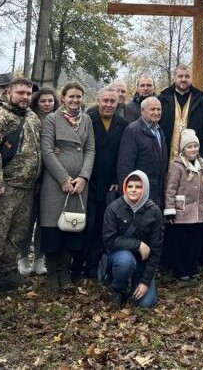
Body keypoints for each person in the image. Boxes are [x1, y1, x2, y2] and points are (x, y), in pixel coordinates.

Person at [0, 78, 41, 299]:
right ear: (8, 93)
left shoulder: (31, 116)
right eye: (20, 92)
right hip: (5, 187)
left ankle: (6, 270)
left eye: (28, 93)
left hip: (26, 187)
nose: (25, 97)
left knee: (17, 233)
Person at [39, 81, 96, 289]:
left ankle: (66, 273)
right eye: (71, 96)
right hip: (56, 183)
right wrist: (63, 178)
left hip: (79, 185)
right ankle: (52, 274)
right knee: (53, 226)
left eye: (79, 96)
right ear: (63, 98)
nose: (75, 100)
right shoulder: (52, 119)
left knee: (72, 226)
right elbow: (46, 151)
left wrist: (83, 177)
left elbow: (90, 150)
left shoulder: (87, 120)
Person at [81, 87, 128, 279]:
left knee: (102, 225)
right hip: (88, 181)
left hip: (110, 184)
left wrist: (118, 179)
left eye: (112, 101)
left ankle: (94, 266)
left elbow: (123, 154)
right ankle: (78, 264)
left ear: (118, 104)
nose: (108, 105)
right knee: (87, 225)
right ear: (98, 100)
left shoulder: (123, 124)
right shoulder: (88, 120)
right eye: (105, 101)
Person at [163, 129, 203, 280]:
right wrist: (170, 210)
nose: (193, 149)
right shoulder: (178, 166)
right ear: (183, 149)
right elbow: (171, 189)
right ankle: (180, 270)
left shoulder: (202, 166)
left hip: (198, 212)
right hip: (182, 212)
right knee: (181, 243)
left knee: (195, 243)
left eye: (195, 146)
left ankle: (192, 268)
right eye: (189, 146)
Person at [103, 171, 163, 307]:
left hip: (143, 261)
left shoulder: (154, 211)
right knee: (125, 260)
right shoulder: (114, 208)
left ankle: (136, 282)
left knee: (146, 303)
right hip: (120, 257)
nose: (133, 190)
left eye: (138, 186)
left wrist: (145, 282)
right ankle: (118, 289)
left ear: (145, 188)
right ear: (125, 187)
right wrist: (138, 245)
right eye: (130, 186)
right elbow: (109, 240)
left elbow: (156, 250)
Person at [19, 87, 57, 276]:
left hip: (51, 179)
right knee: (28, 220)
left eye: (50, 101)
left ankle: (40, 257)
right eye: (43, 101)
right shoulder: (30, 119)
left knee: (45, 221)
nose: (47, 104)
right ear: (36, 102)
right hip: (32, 177)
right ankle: (23, 257)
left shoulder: (59, 119)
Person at [158, 64, 203, 162]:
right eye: (180, 76)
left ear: (191, 78)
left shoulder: (201, 99)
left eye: (187, 76)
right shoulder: (163, 98)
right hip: (167, 155)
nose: (184, 79)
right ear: (174, 77)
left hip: (195, 156)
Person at [118, 97, 168, 208]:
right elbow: (125, 165)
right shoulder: (133, 130)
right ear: (142, 111)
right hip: (139, 193)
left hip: (156, 193)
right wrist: (127, 195)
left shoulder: (159, 130)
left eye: (159, 109)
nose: (156, 112)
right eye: (152, 109)